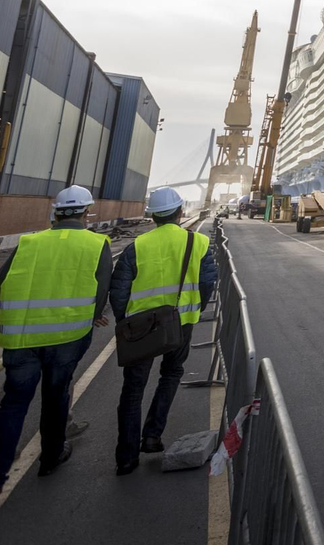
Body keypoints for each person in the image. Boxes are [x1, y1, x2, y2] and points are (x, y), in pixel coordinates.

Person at [0, 185, 111, 509]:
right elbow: (101, 291)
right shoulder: (96, 244)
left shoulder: (29, 242)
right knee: (56, 396)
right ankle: (50, 457)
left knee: (13, 405)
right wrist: (91, 316)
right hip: (67, 339)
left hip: (21, 340)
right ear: (86, 213)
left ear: (56, 212)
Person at [109, 186, 215, 474]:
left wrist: (125, 322)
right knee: (171, 373)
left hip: (141, 329)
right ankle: (153, 436)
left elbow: (118, 292)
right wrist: (194, 309)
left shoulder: (137, 247)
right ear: (181, 213)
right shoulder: (199, 242)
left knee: (133, 390)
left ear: (153, 216)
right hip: (180, 323)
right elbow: (207, 284)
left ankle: (126, 457)